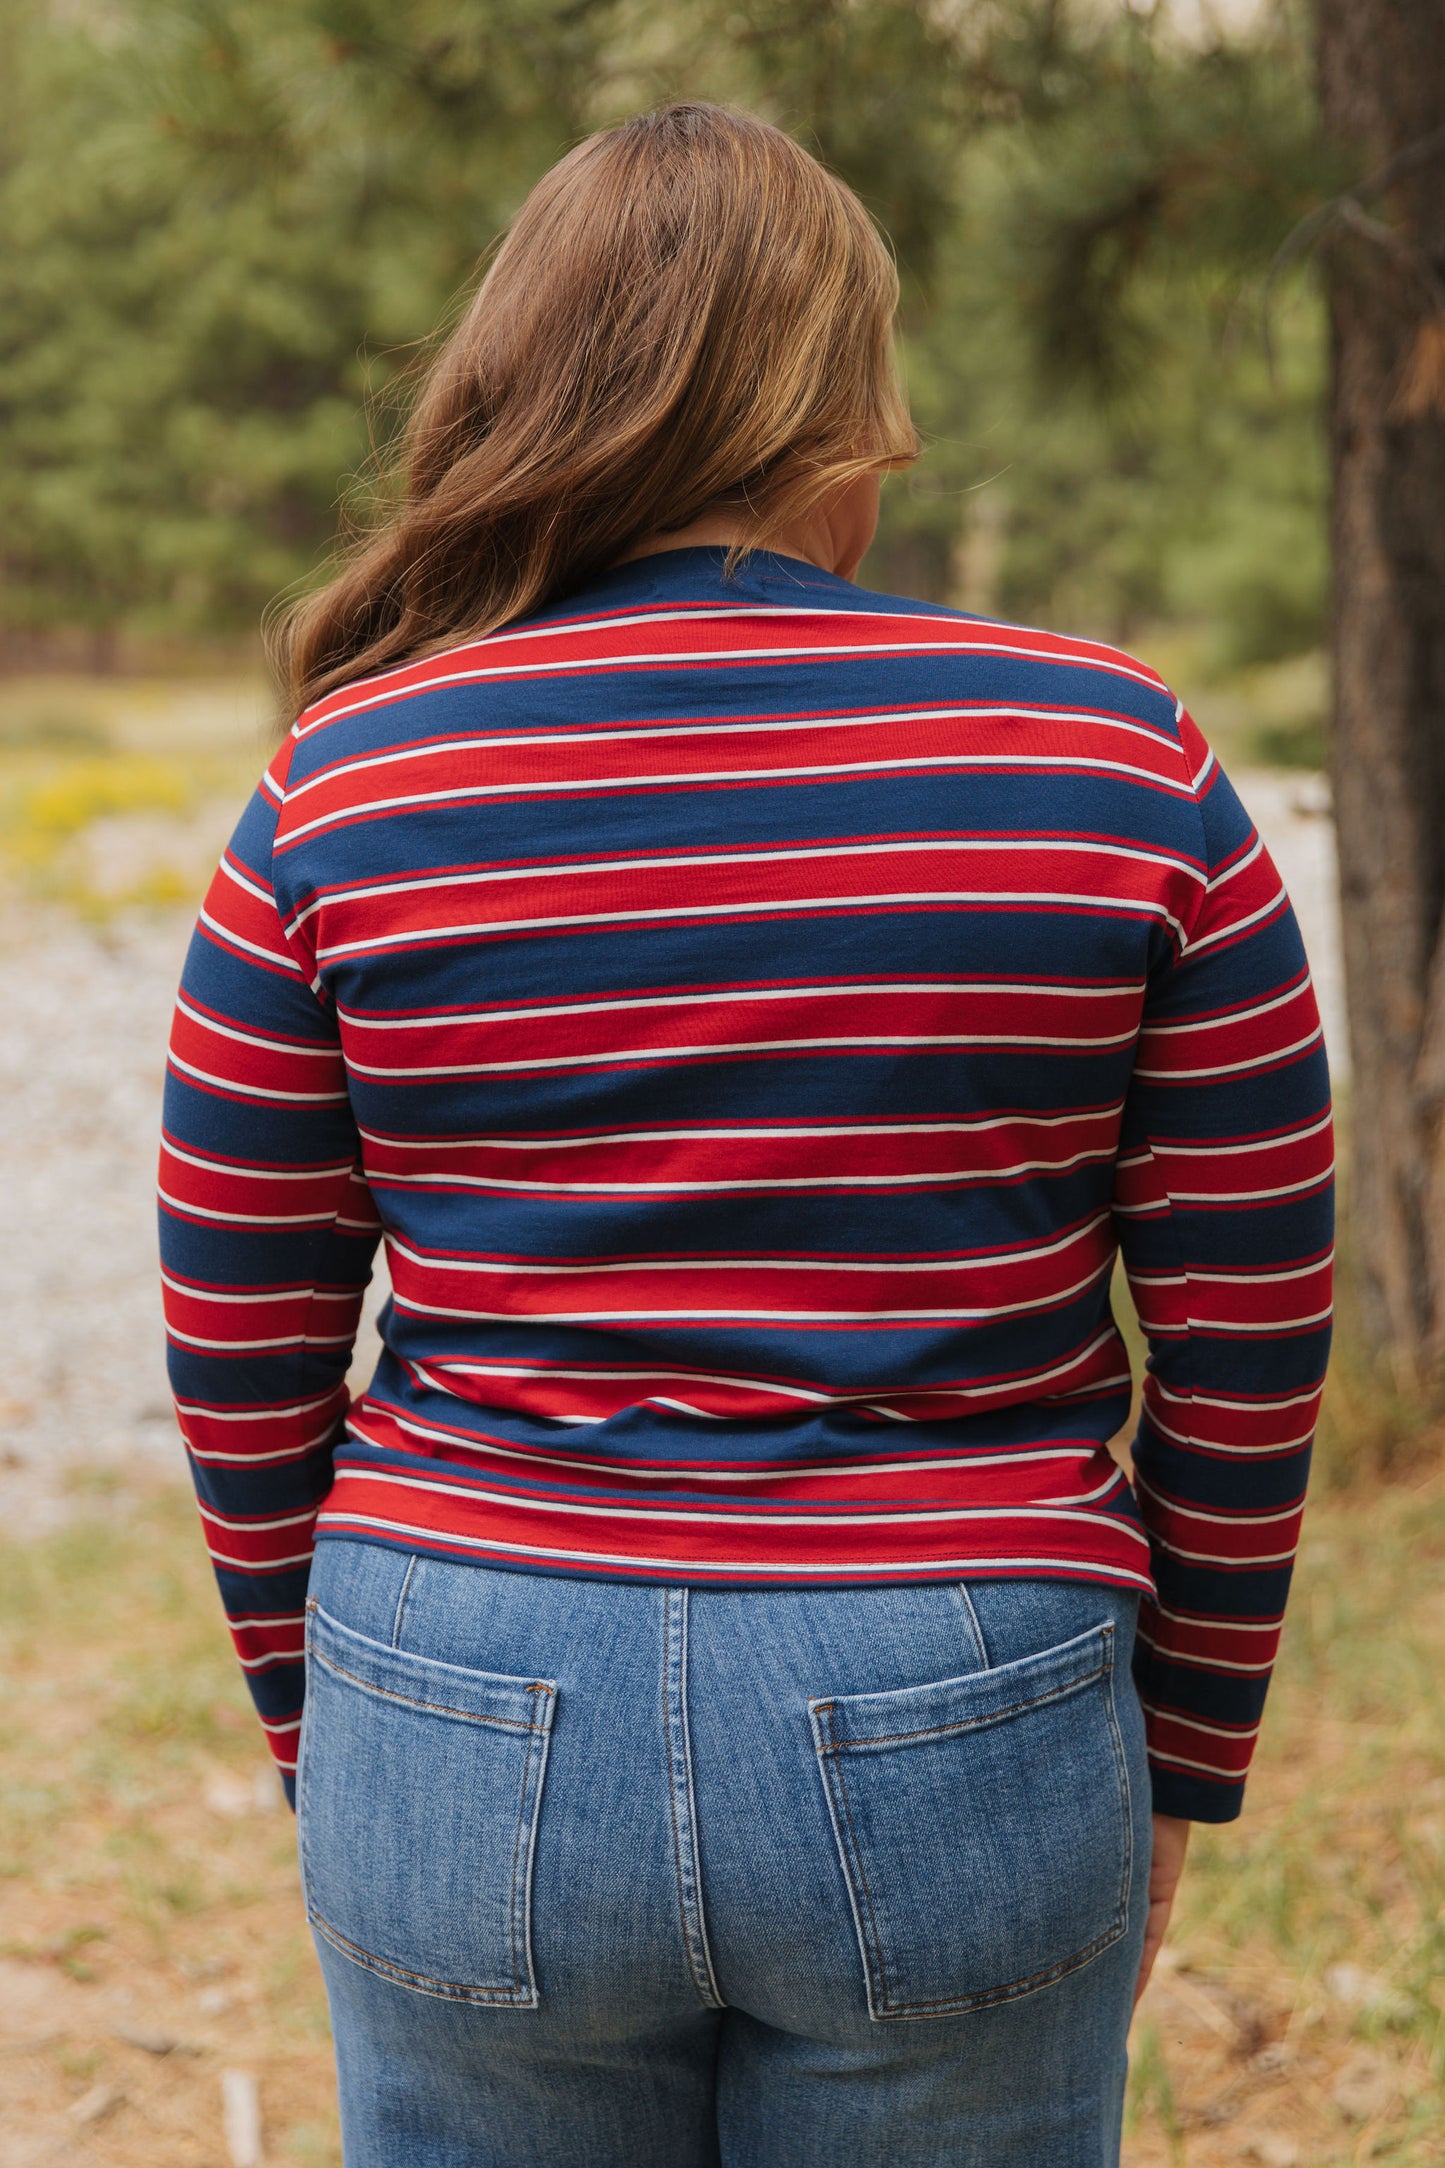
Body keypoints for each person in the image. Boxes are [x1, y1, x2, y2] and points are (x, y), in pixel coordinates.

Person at [159, 101, 1333, 2167]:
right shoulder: (1113, 750)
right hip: (960, 1692)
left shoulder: (337, 787)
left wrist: (323, 1723)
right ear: (839, 405)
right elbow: (1252, 1327)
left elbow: (242, 1343)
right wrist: (1181, 1760)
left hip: (466, 1663)